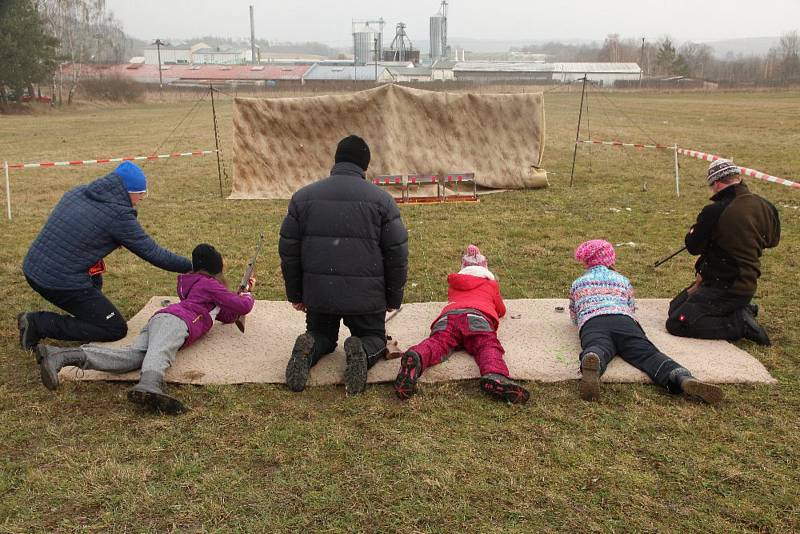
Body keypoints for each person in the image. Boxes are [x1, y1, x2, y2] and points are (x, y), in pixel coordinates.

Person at [34, 244, 255, 415]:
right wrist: (246, 295)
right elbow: (244, 305)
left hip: (164, 320)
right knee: (161, 353)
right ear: (216, 269)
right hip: (177, 322)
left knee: (131, 358)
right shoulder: (211, 286)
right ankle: (150, 384)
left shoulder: (199, 286)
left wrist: (237, 295)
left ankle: (59, 356)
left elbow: (226, 315)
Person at [279, 135, 408, 395]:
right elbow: (397, 255)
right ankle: (360, 350)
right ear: (365, 165)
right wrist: (393, 298)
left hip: (319, 293)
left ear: (336, 160)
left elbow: (289, 251)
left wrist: (297, 294)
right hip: (366, 298)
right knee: (373, 338)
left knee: (321, 335)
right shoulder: (383, 201)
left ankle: (308, 348)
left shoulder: (302, 198)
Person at [17, 161, 192, 349]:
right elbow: (154, 253)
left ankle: (87, 315)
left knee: (95, 290)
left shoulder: (78, 192)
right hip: (58, 281)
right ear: (128, 191)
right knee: (114, 328)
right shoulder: (118, 215)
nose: (142, 198)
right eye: (141, 193)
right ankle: (37, 323)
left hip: (34, 267)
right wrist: (193, 266)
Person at [570, 240, 723, 404]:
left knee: (598, 345)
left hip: (593, 322)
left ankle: (594, 359)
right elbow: (630, 308)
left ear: (587, 262)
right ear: (610, 260)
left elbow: (574, 316)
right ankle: (680, 376)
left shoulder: (578, 283)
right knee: (648, 354)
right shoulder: (622, 280)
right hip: (623, 320)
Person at [394, 245, 529, 404]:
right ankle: (495, 375)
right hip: (476, 318)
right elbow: (501, 310)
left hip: (448, 318)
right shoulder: (491, 284)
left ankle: (417, 356)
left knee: (438, 343)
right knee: (487, 345)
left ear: (463, 269)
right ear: (485, 269)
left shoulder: (455, 284)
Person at [666, 159, 780, 345]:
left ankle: (738, 324)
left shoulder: (715, 210)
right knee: (675, 308)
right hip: (742, 281)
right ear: (738, 178)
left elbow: (693, 247)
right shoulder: (766, 206)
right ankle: (742, 309)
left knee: (677, 323)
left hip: (726, 287)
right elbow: (772, 241)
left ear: (717, 183)